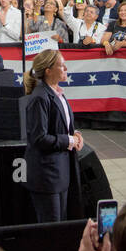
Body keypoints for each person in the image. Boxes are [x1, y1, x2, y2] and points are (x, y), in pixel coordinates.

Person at [21, 50, 84, 223]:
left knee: (60, 224)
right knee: (51, 227)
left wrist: (75, 134)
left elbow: (61, 124)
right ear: (48, 70)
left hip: (59, 173)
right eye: (61, 65)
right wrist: (70, 140)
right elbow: (39, 138)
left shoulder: (58, 93)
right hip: (46, 176)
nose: (65, 68)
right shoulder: (40, 98)